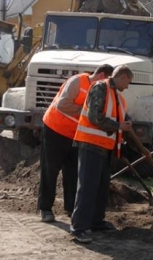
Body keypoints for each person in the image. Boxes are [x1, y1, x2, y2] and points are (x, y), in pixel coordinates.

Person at [38, 64, 114, 222]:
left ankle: (71, 208)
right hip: (55, 129)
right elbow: (62, 105)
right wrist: (87, 110)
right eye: (107, 80)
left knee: (72, 173)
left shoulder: (99, 91)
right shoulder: (77, 82)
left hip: (75, 136)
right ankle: (45, 208)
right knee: (50, 170)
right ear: (101, 75)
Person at [69, 65, 134, 243]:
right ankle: (79, 227)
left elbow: (116, 118)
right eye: (128, 81)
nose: (128, 86)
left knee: (101, 186)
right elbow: (94, 117)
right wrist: (119, 126)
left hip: (104, 147)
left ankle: (96, 222)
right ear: (122, 77)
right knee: (87, 187)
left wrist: (123, 127)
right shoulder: (100, 88)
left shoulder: (116, 96)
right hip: (90, 144)